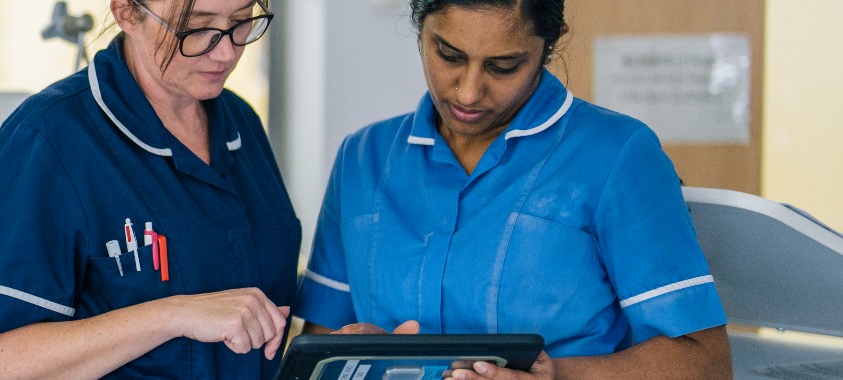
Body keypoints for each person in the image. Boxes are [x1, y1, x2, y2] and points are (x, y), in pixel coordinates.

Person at [293, 0, 733, 378]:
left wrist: (555, 375)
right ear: (419, 27)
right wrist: (353, 352)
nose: (467, 93)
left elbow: (705, 363)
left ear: (550, 43)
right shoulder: (363, 159)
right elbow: (320, 340)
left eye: (503, 67)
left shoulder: (618, 156)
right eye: (448, 55)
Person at [0, 0, 299, 378]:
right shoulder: (51, 137)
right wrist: (171, 314)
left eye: (240, 21)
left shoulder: (240, 121)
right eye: (197, 28)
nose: (227, 51)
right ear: (127, 14)